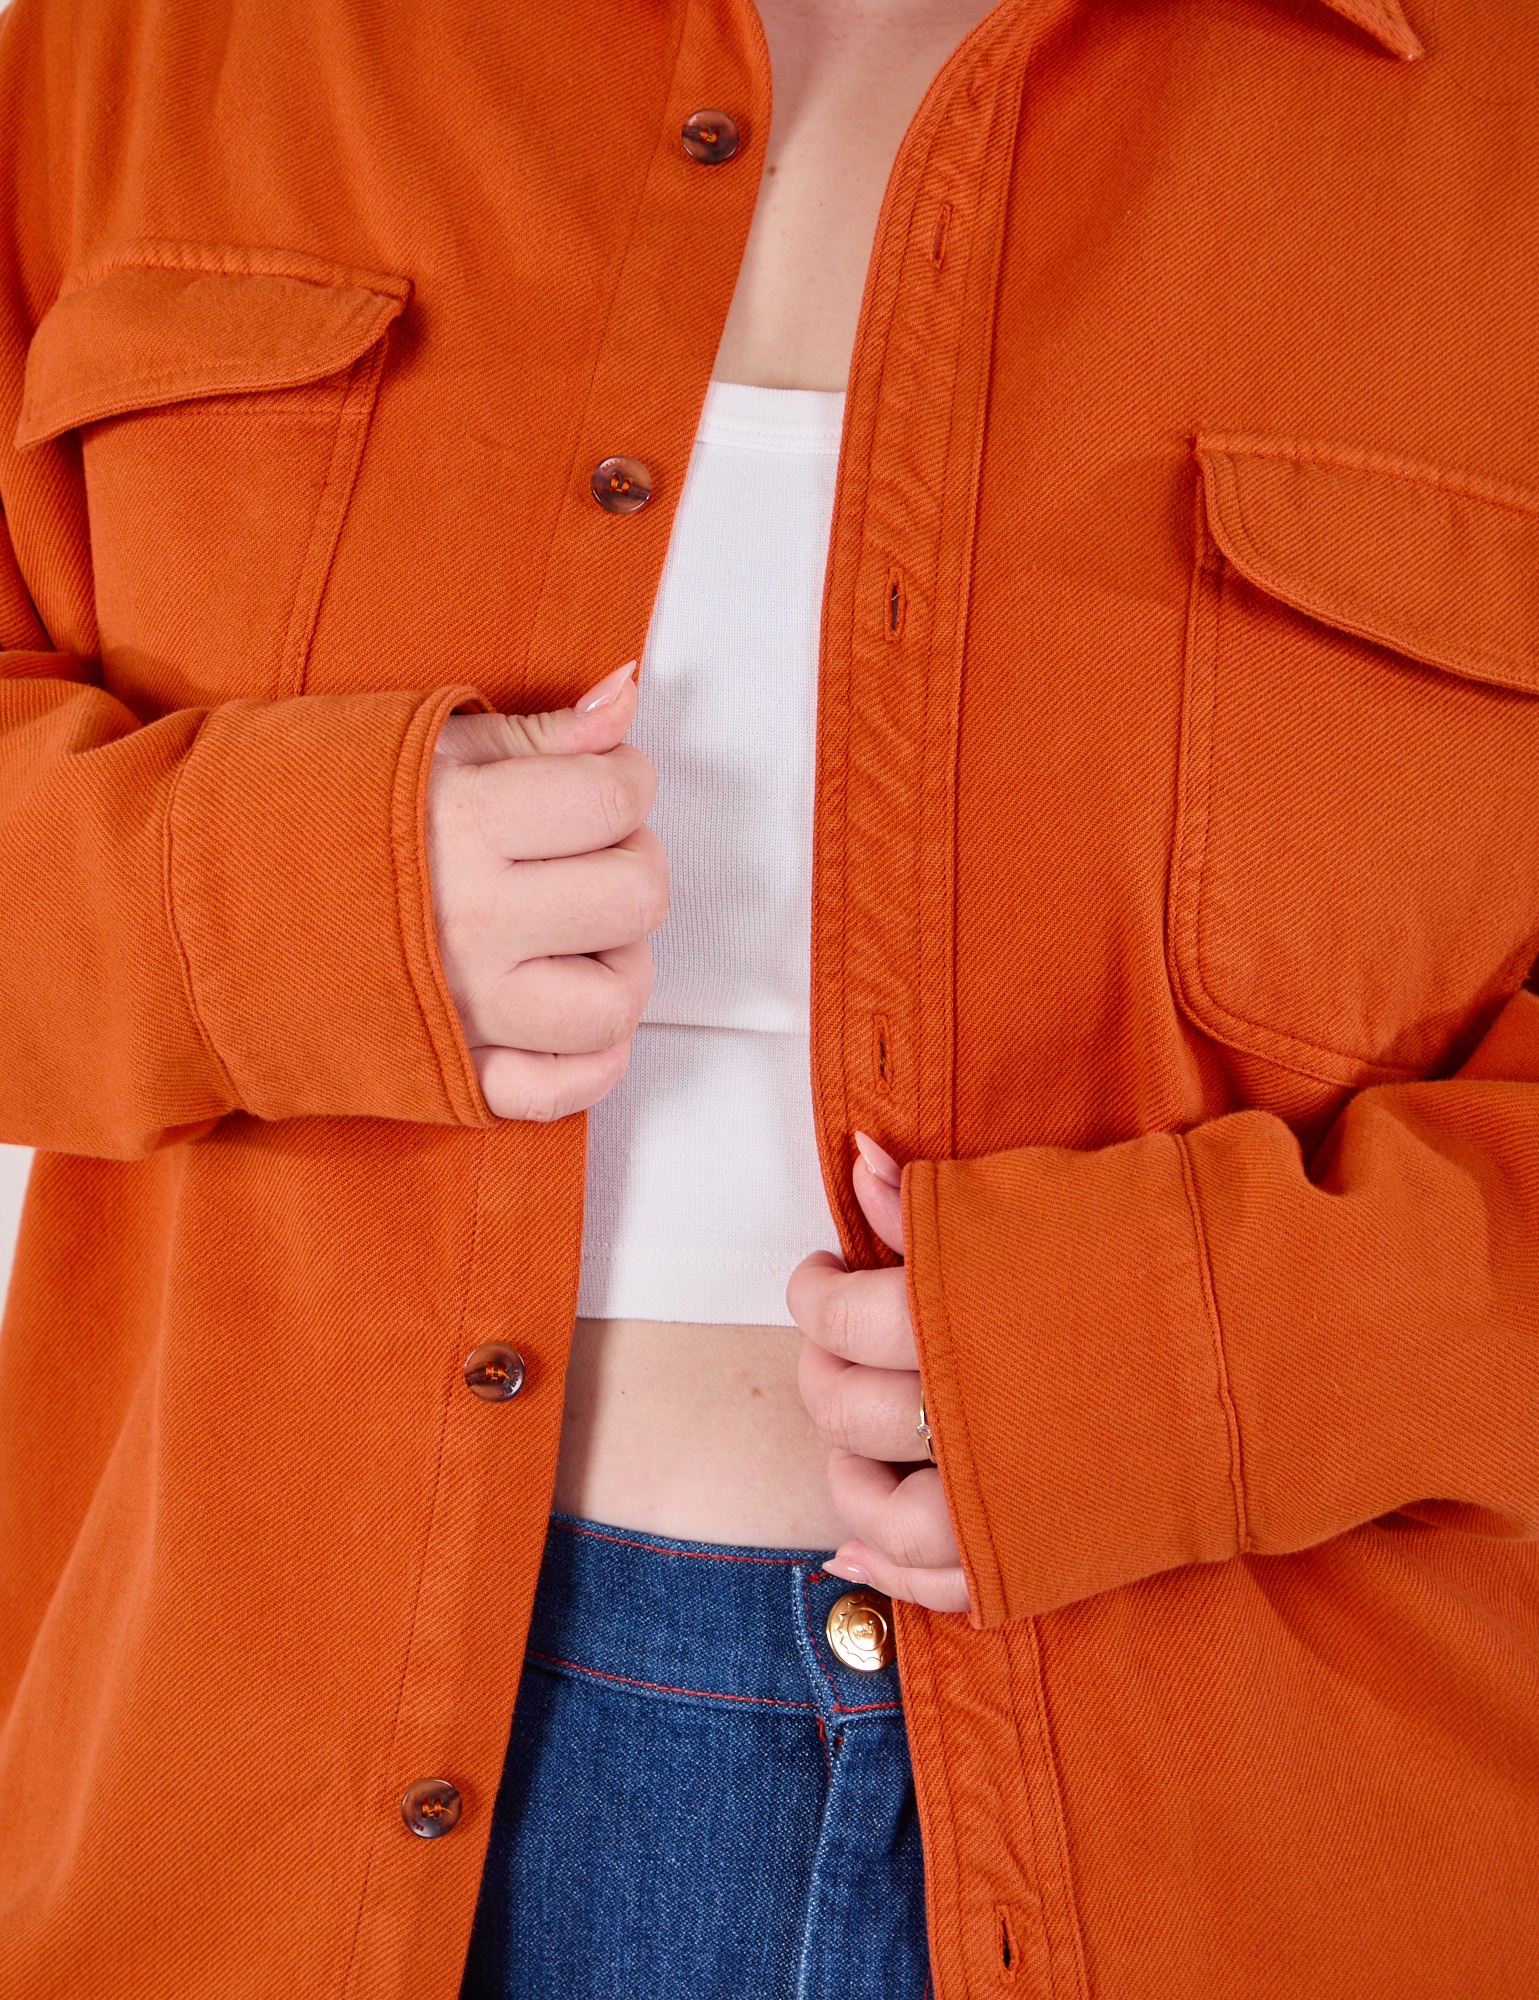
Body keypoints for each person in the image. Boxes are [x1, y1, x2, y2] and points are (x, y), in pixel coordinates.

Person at [1, 0, 1537, 1993]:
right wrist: (281, 901)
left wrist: (1200, 1354)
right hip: (261, 1830)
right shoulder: (157, 55)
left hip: (1245, 1847)